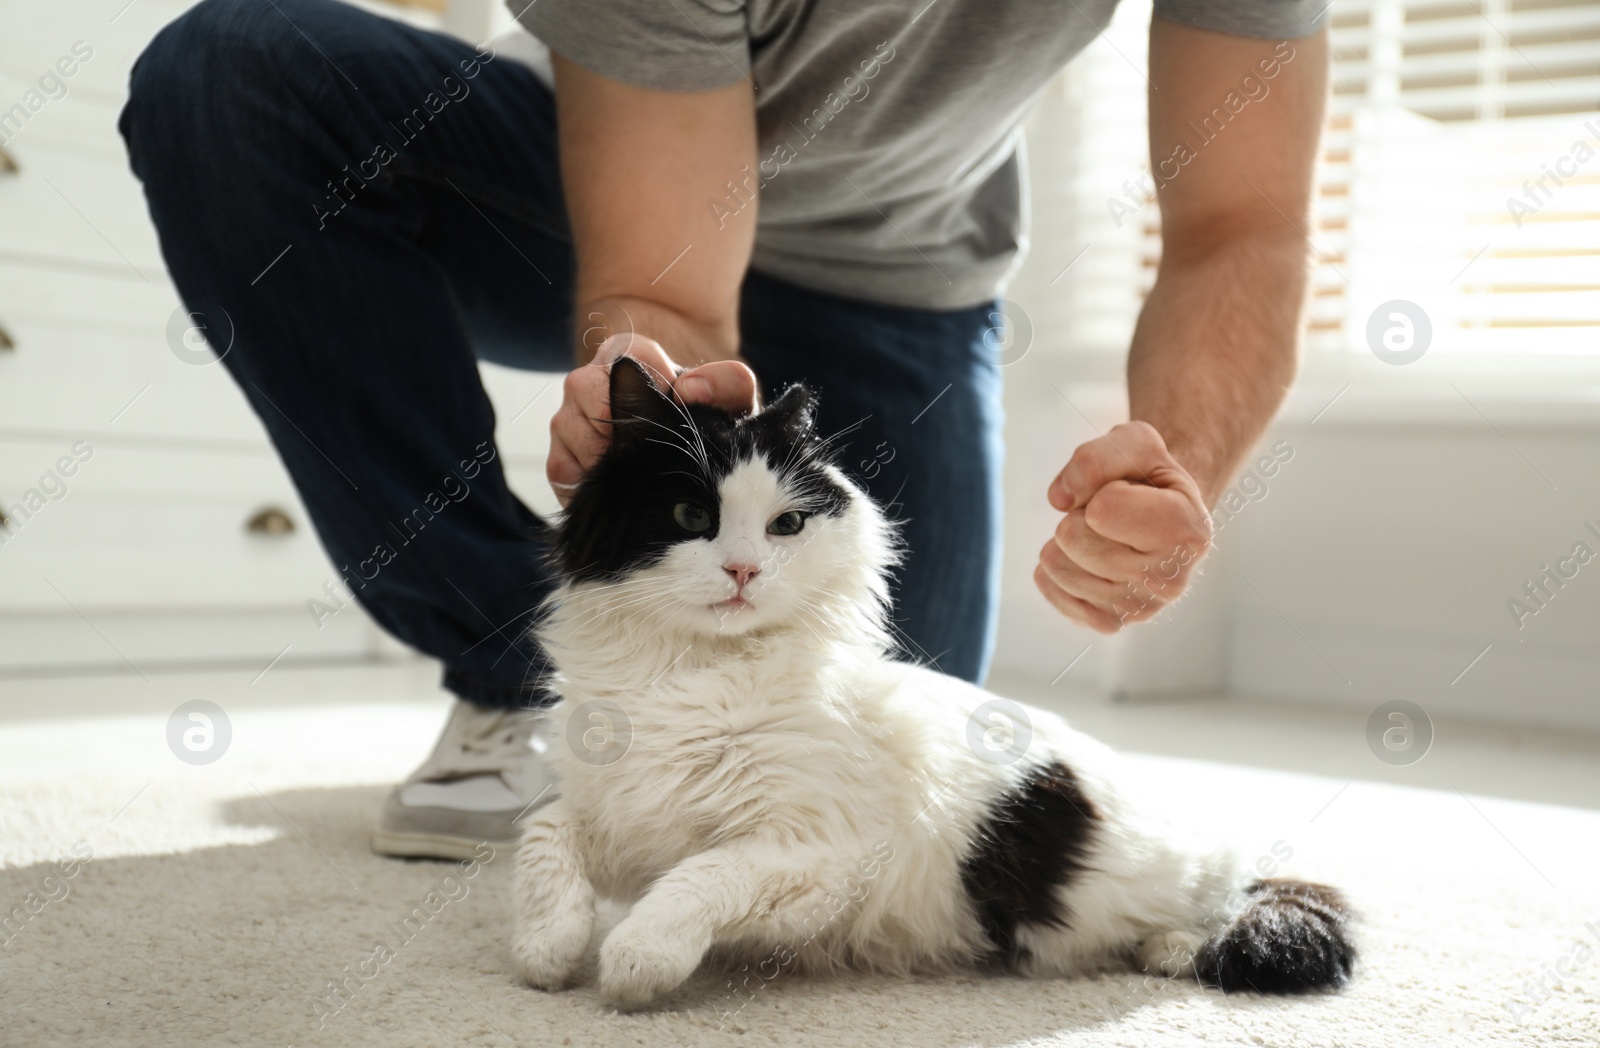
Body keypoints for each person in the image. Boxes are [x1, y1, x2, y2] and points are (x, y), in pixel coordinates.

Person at [120, 0, 1326, 860]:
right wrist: (638, 384)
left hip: (893, 273)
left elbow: (1243, 229)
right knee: (233, 78)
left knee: (889, 766)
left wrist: (1173, 469)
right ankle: (519, 656)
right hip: (580, 184)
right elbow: (678, 288)